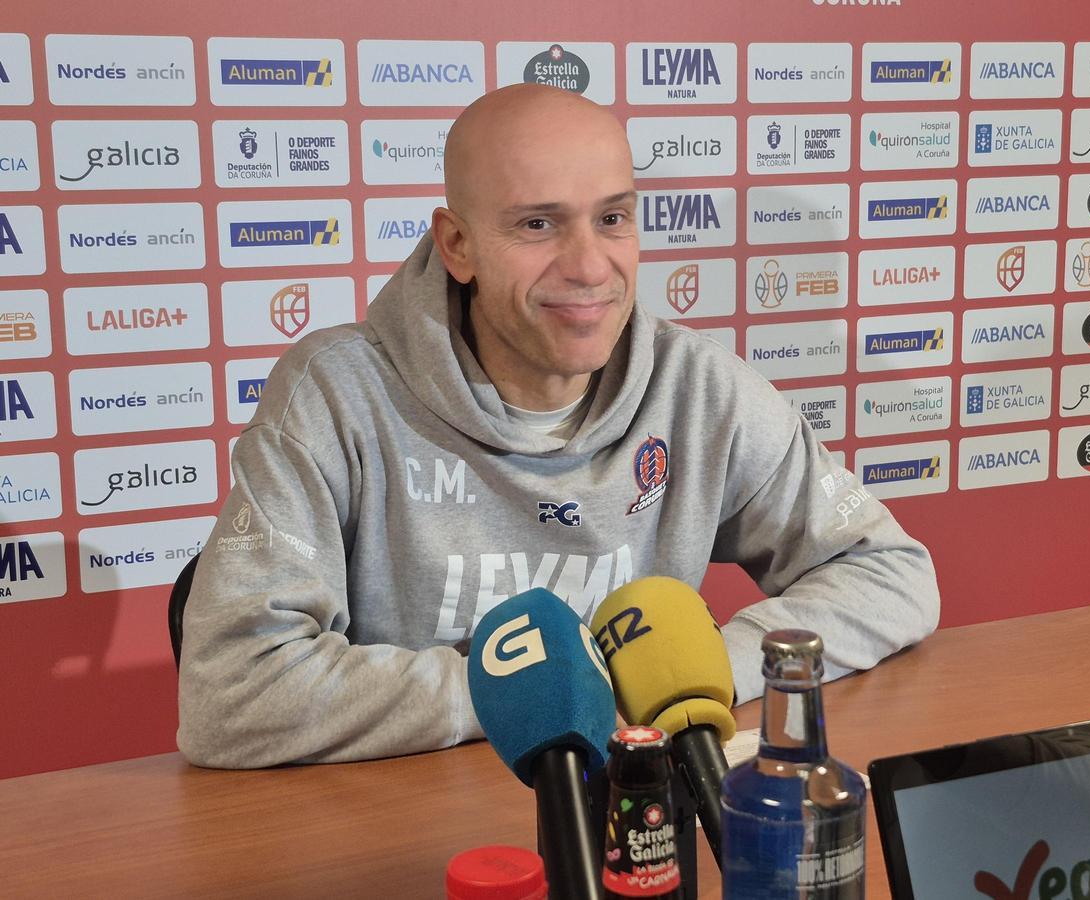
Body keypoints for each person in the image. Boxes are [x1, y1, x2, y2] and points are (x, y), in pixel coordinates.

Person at [177, 84, 939, 768]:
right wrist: (534, 693)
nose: (589, 265)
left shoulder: (701, 388)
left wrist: (704, 667)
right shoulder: (334, 394)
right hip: (416, 823)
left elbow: (890, 574)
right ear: (458, 245)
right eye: (538, 224)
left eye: (613, 218)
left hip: (635, 804)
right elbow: (232, 693)